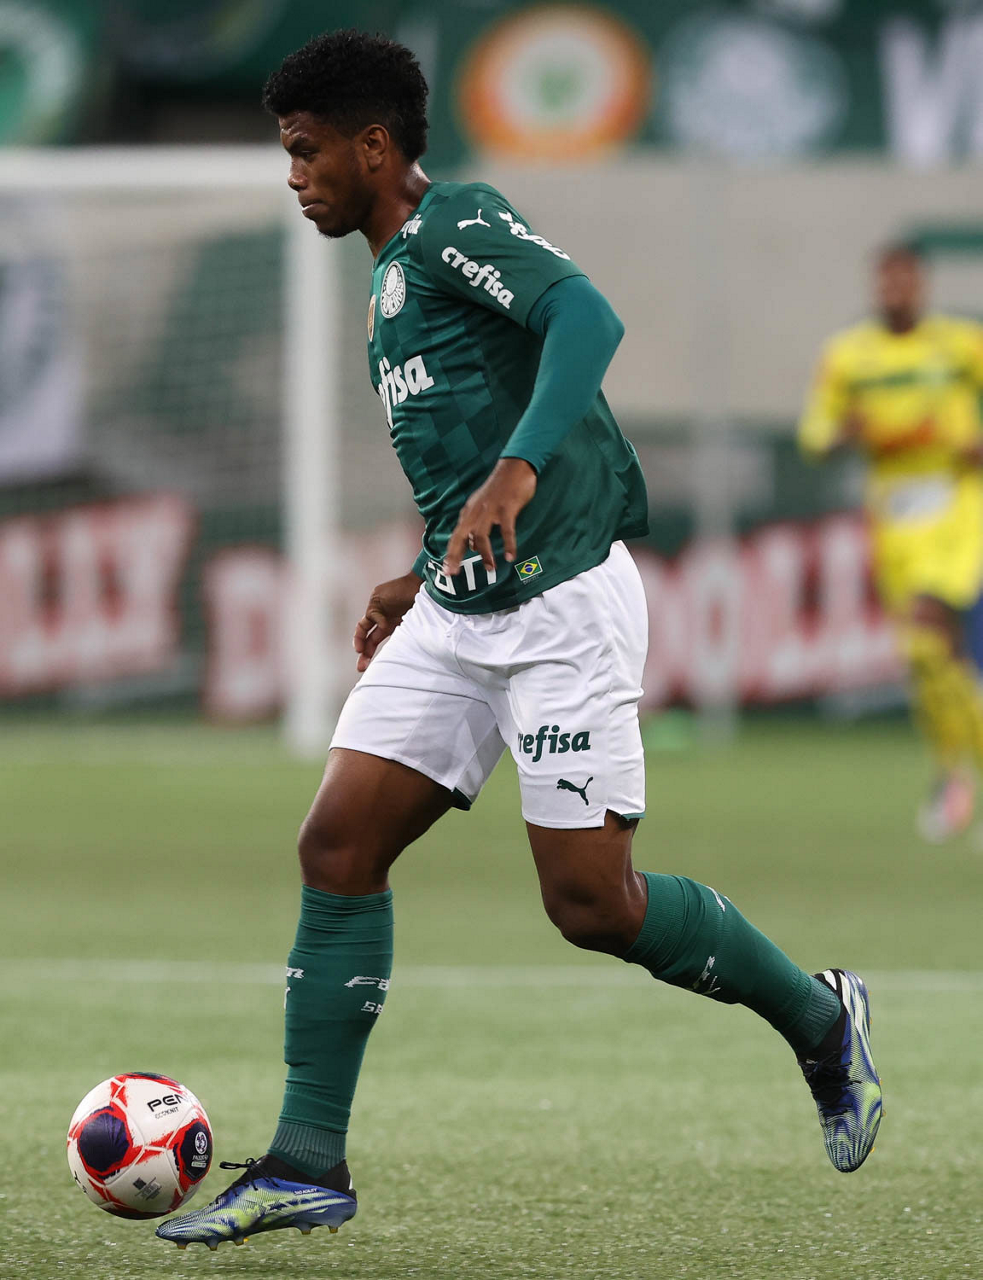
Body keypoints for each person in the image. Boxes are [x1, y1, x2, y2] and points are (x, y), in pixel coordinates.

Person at [157, 29, 882, 1252]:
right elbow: (466, 452)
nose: (294, 175)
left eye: (306, 150)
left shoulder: (454, 221)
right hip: (459, 609)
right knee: (337, 842)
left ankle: (819, 1020)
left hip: (562, 611)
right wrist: (420, 568)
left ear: (373, 146)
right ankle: (306, 1160)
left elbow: (585, 318)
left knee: (591, 904)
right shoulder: (387, 285)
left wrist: (519, 466)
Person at [800, 243, 983, 842]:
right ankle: (955, 771)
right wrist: (842, 434)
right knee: (926, 658)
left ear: (922, 285)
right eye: (887, 281)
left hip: (958, 510)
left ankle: (958, 777)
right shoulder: (849, 355)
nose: (896, 291)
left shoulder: (960, 344)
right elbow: (814, 434)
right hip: (894, 519)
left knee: (933, 626)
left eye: (906, 281)